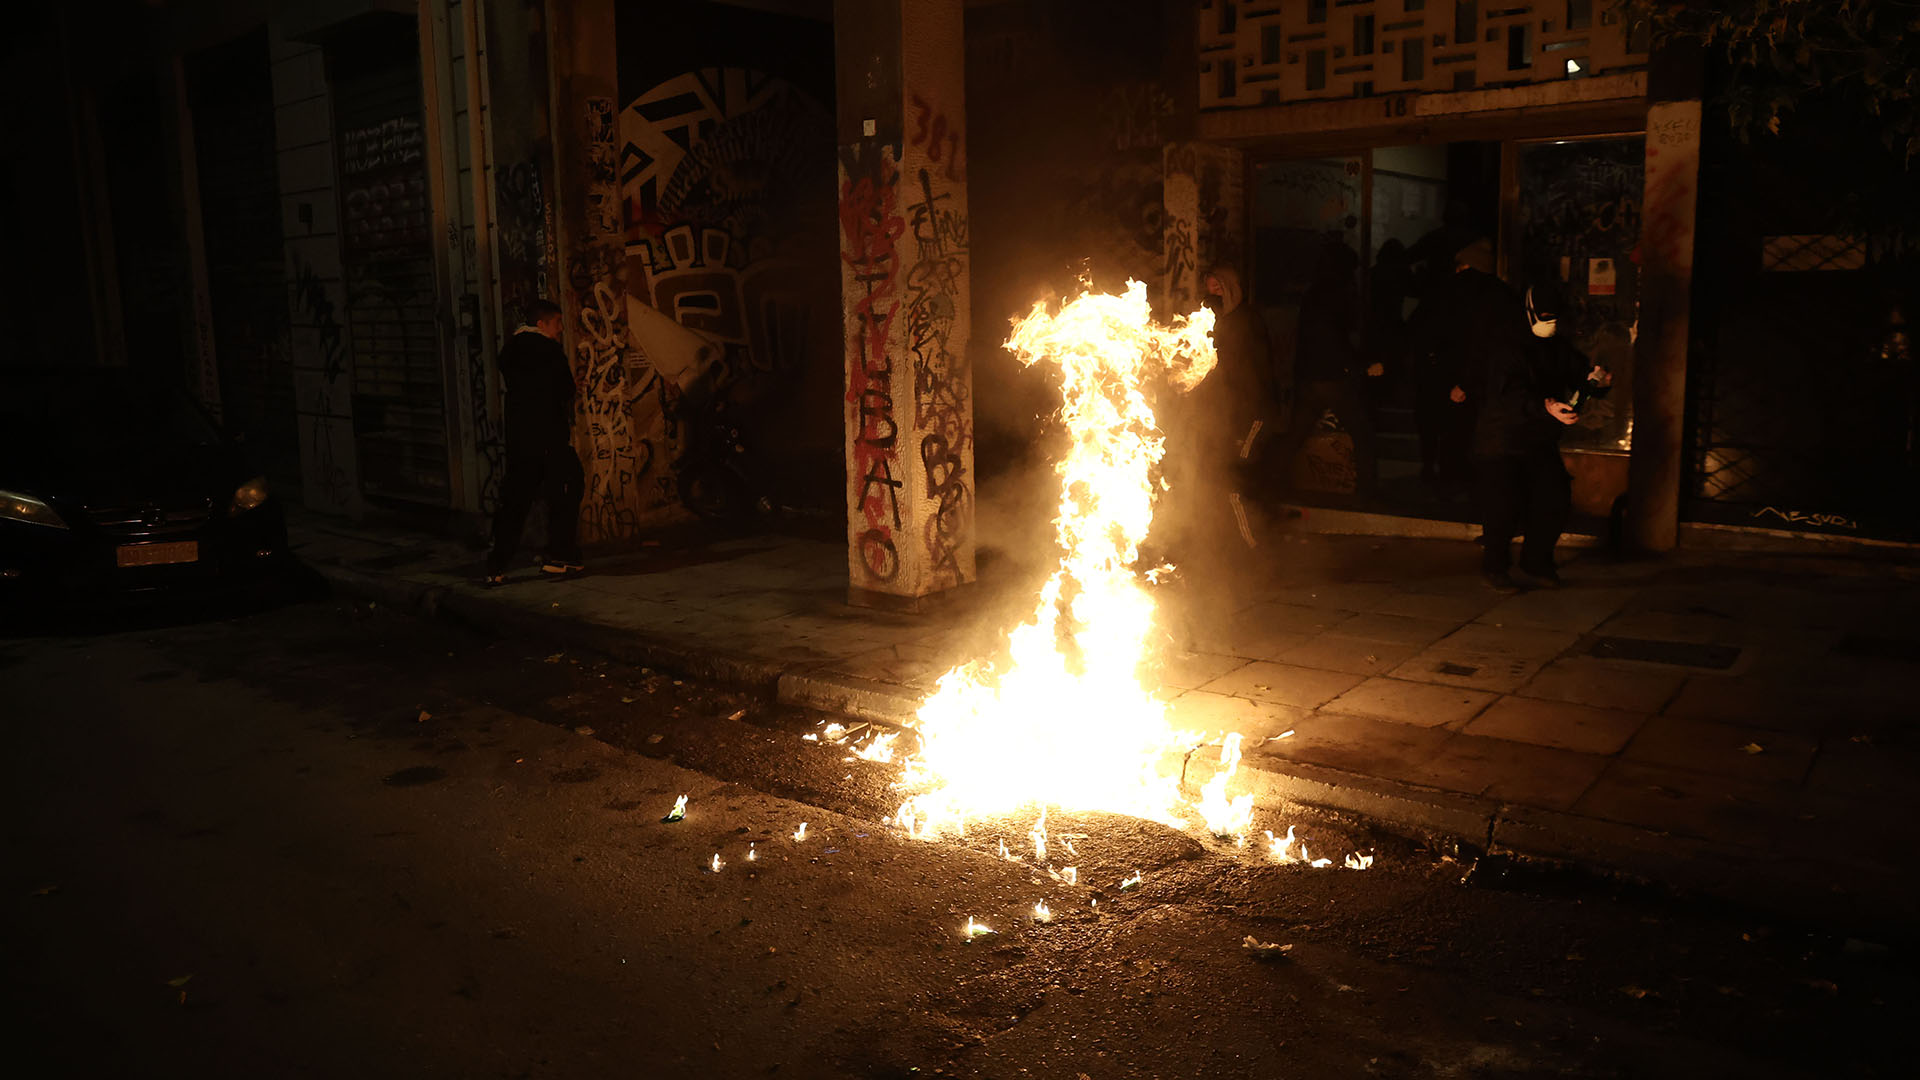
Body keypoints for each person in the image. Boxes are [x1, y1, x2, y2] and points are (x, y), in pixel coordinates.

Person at [1471, 282, 1611, 590]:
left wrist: (1596, 381)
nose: (1550, 323)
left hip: (1539, 439)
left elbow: (1577, 371)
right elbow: (1506, 395)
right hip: (1501, 439)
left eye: (1555, 317)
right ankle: (1494, 566)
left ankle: (1536, 561)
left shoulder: (1557, 346)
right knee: (1503, 507)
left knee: (1554, 499)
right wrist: (1545, 406)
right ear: (1529, 313)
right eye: (1545, 317)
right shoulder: (1506, 346)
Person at [483, 299, 585, 585]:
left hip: (521, 439)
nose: (561, 329)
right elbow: (563, 388)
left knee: (515, 502)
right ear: (542, 324)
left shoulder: (510, 351)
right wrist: (572, 386)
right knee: (569, 487)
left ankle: (496, 565)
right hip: (550, 436)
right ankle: (560, 555)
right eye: (557, 323)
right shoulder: (549, 350)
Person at [1276, 240, 1379, 497]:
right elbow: (1335, 339)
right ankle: (1367, 493)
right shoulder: (1337, 293)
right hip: (1331, 378)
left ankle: (1270, 485)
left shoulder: (1314, 293)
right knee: (1363, 433)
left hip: (1309, 376)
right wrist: (1360, 365)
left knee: (1295, 436)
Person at [1407, 237, 1505, 495]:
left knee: (1434, 427)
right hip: (1470, 377)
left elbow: (1420, 329)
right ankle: (1458, 477)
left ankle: (1436, 472)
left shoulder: (1447, 292)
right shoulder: (1495, 294)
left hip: (1439, 373)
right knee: (1462, 431)